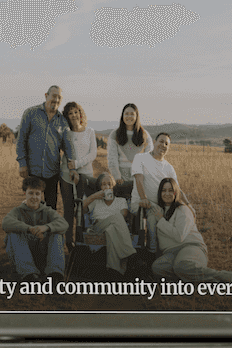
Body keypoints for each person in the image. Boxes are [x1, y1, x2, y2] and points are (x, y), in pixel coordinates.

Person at [147, 178, 232, 284]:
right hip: (171, 253)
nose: (167, 193)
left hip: (190, 247)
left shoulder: (183, 210)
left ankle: (226, 279)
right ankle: (189, 278)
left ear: (176, 192)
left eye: (170, 190)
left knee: (182, 266)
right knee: (158, 268)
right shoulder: (159, 211)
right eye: (163, 190)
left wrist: (161, 220)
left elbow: (180, 236)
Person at [15, 85, 76, 215]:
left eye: (59, 97)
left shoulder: (62, 122)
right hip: (32, 170)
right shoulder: (31, 113)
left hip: (52, 172)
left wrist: (73, 167)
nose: (56, 100)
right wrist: (22, 164)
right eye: (54, 96)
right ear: (46, 95)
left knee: (50, 209)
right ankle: (31, 233)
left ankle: (47, 234)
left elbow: (68, 146)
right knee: (32, 205)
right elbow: (21, 140)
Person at [130, 131, 189, 251]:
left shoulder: (168, 167)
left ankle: (158, 249)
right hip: (140, 202)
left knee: (157, 215)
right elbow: (139, 179)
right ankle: (152, 250)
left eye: (167, 144)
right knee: (155, 214)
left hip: (159, 205)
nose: (163, 145)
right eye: (161, 141)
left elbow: (177, 189)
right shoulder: (140, 157)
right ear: (154, 142)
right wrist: (144, 198)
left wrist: (188, 205)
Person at [1, 177, 68, 279]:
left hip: (44, 254)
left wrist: (46, 227)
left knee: (57, 232)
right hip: (23, 256)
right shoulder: (17, 211)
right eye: (31, 193)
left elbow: (63, 224)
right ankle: (29, 274)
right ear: (25, 193)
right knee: (14, 233)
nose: (34, 197)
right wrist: (29, 229)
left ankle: (54, 273)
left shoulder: (48, 211)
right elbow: (5, 223)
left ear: (41, 194)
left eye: (37, 194)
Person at [59, 100, 98, 243]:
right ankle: (69, 243)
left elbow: (93, 154)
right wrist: (72, 167)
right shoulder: (65, 133)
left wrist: (77, 164)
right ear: (66, 117)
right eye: (70, 113)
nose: (74, 115)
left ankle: (83, 242)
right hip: (67, 175)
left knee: (84, 209)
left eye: (76, 112)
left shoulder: (90, 132)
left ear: (80, 113)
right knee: (68, 210)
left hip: (85, 175)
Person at [81, 173, 134, 274]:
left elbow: (124, 214)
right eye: (103, 184)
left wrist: (110, 218)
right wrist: (93, 196)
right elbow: (79, 209)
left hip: (114, 227)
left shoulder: (121, 200)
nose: (107, 187)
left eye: (109, 184)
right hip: (98, 227)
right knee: (116, 217)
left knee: (111, 229)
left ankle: (114, 270)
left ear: (113, 187)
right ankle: (129, 252)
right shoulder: (96, 201)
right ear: (100, 187)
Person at [105, 102, 153, 200]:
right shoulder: (115, 134)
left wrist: (144, 176)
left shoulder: (144, 134)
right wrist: (117, 177)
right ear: (122, 116)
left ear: (137, 116)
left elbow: (150, 156)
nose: (129, 116)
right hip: (121, 180)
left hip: (139, 178)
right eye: (126, 114)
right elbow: (112, 158)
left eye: (132, 114)